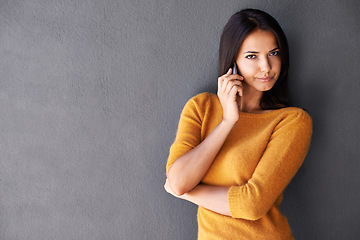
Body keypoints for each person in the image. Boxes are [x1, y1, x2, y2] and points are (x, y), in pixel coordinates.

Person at [164, 8, 312, 239]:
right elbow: (179, 179)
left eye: (273, 53)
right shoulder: (201, 107)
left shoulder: (291, 121)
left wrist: (185, 194)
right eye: (252, 56)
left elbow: (252, 205)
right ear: (233, 61)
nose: (266, 66)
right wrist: (227, 122)